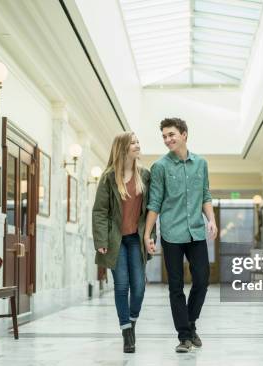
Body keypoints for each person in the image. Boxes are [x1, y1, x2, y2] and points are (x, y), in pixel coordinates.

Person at [144, 118, 217, 353]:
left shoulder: (201, 164)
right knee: (175, 286)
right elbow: (154, 202)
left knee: (202, 280)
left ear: (184, 134)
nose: (167, 140)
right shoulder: (160, 167)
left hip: (196, 231)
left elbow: (205, 195)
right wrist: (148, 234)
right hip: (172, 234)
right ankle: (184, 336)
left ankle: (190, 322)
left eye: (171, 134)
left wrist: (212, 220)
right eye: (164, 136)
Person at [92, 131, 155, 353]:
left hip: (136, 240)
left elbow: (150, 211)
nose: (138, 145)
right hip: (116, 240)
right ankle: (127, 332)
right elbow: (100, 211)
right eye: (133, 143)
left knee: (138, 287)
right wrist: (101, 239)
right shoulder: (109, 176)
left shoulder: (145, 175)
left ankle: (132, 321)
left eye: (138, 141)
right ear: (123, 148)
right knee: (121, 286)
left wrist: (150, 237)